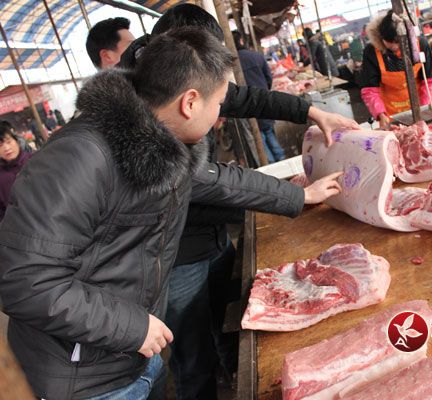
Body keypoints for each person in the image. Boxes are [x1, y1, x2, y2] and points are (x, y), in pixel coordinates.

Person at [0, 27, 342, 400]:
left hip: (132, 353)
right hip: (84, 378)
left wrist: (299, 195)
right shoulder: (79, 158)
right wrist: (132, 327)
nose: (219, 115)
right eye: (219, 104)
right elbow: (26, 282)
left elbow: (221, 180)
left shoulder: (159, 141)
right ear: (190, 102)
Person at [118, 4, 360, 399]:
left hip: (209, 236)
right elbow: (206, 179)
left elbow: (247, 99)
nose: (220, 110)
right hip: (171, 256)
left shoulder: (182, 77)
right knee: (194, 359)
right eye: (214, 102)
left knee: (232, 329)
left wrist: (312, 112)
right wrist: (298, 194)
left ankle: (235, 380)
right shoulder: (137, 111)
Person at [361, 10, 432, 129]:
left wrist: (425, 109)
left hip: (420, 106)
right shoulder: (372, 51)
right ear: (381, 37)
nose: (396, 48)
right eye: (391, 44)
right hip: (391, 114)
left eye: (399, 44)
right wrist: (380, 113)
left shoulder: (420, 44)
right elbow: (370, 90)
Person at [232, 30, 286, 163]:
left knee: (259, 137)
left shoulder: (231, 64)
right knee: (268, 130)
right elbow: (269, 78)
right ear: (241, 41)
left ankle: (271, 163)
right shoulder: (256, 56)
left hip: (246, 105)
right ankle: (281, 159)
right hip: (263, 100)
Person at [0, 121, 33, 221]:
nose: (6, 148)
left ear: (17, 141)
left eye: (8, 141)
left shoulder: (36, 160)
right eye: (0, 145)